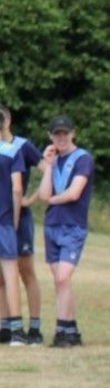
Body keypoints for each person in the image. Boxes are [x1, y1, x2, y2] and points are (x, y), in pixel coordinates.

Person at [36, 115, 94, 347]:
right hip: (52, 225)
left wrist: (51, 199)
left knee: (62, 278)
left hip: (73, 226)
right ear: (50, 136)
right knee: (60, 282)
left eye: (65, 133)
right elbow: (42, 195)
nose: (61, 138)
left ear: (73, 134)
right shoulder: (54, 161)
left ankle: (61, 331)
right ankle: (72, 331)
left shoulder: (83, 159)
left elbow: (74, 193)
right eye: (56, 134)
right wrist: (48, 166)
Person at [0, 106, 45, 343]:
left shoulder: (22, 146)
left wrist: (33, 198)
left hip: (17, 216)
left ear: (9, 119)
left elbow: (48, 170)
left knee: (25, 271)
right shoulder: (8, 152)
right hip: (7, 218)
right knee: (4, 275)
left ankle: (34, 327)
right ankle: (7, 325)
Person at [0, 118, 25, 344]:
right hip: (4, 220)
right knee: (10, 274)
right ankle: (16, 329)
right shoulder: (11, 151)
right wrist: (15, 218)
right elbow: (17, 188)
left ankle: (2, 325)